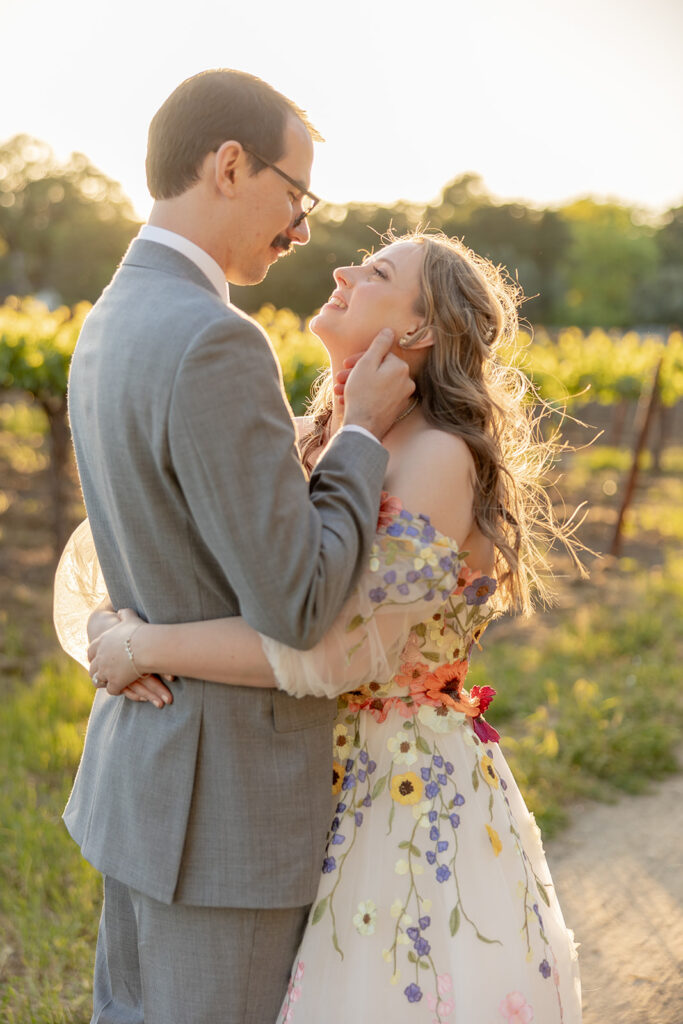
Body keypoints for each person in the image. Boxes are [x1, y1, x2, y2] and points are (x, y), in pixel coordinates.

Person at [66, 231, 583, 1022]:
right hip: (290, 769)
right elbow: (167, 554)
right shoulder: (313, 433)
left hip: (390, 791)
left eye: (375, 272)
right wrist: (111, 617)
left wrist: (145, 645)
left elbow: (339, 652)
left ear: (418, 331)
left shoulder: (437, 456)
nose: (341, 270)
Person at [59, 68, 416, 1024]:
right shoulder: (217, 339)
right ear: (228, 165)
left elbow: (139, 539)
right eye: (296, 196)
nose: (302, 230)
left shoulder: (104, 323)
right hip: (223, 817)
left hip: (141, 787)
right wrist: (361, 438)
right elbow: (295, 602)